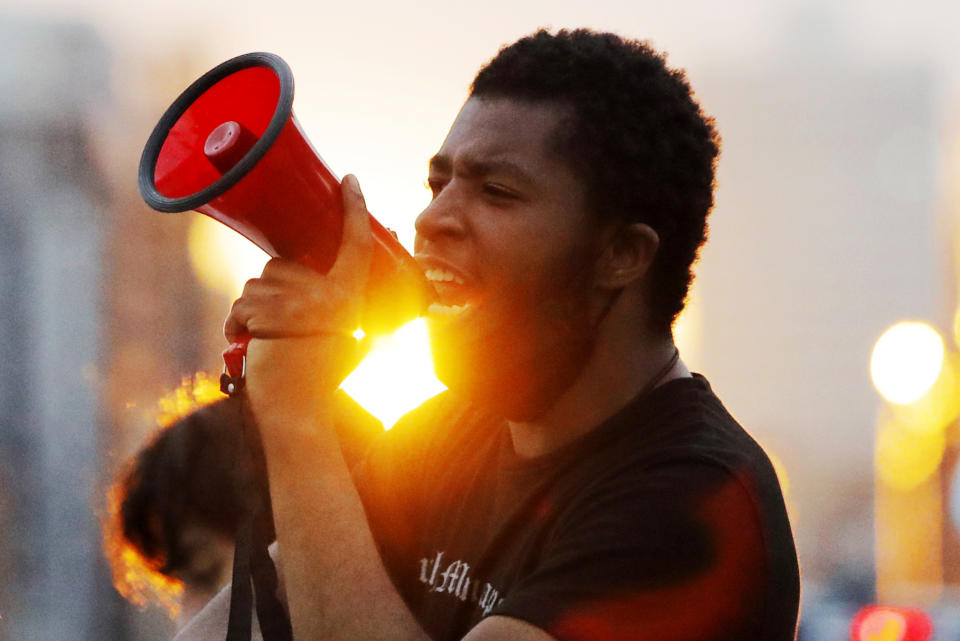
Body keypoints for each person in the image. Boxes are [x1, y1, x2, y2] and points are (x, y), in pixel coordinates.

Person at [176, 28, 800, 641]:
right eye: (437, 183)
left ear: (622, 254)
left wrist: (299, 421)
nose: (431, 218)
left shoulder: (696, 504)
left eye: (496, 192)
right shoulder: (442, 437)